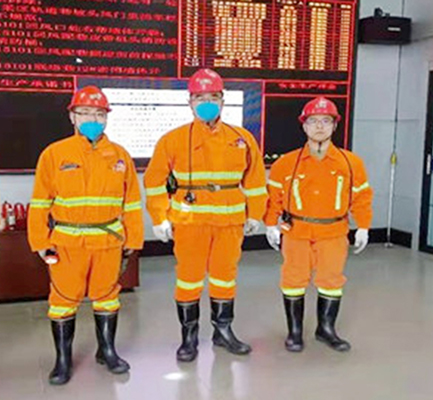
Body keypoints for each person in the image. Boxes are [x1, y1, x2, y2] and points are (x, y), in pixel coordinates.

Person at [144, 68, 268, 361]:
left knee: (225, 277)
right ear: (190, 102)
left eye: (213, 97)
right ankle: (188, 338)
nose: (207, 103)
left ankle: (223, 331)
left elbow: (255, 180)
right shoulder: (172, 139)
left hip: (230, 223)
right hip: (190, 223)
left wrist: (255, 214)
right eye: (200, 97)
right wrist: (159, 217)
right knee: (188, 278)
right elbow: (154, 181)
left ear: (223, 100)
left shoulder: (242, 138)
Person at [27, 86, 144, 384]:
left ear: (107, 118)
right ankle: (63, 360)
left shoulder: (120, 156)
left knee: (107, 298)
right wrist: (40, 241)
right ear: (72, 116)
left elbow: (132, 203)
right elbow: (40, 202)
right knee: (63, 300)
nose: (93, 119)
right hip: (67, 243)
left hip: (108, 241)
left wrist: (133, 240)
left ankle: (107, 351)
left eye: (99, 114)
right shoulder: (54, 154)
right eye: (86, 113)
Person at [263, 96, 373, 352]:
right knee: (293, 280)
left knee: (331, 281)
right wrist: (270, 224)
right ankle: (295, 332)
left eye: (326, 121)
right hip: (296, 231)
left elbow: (361, 197)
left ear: (335, 125)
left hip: (333, 232)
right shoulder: (285, 163)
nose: (320, 126)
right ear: (304, 126)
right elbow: (274, 197)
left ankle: (326, 329)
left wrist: (364, 226)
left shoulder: (351, 163)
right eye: (313, 121)